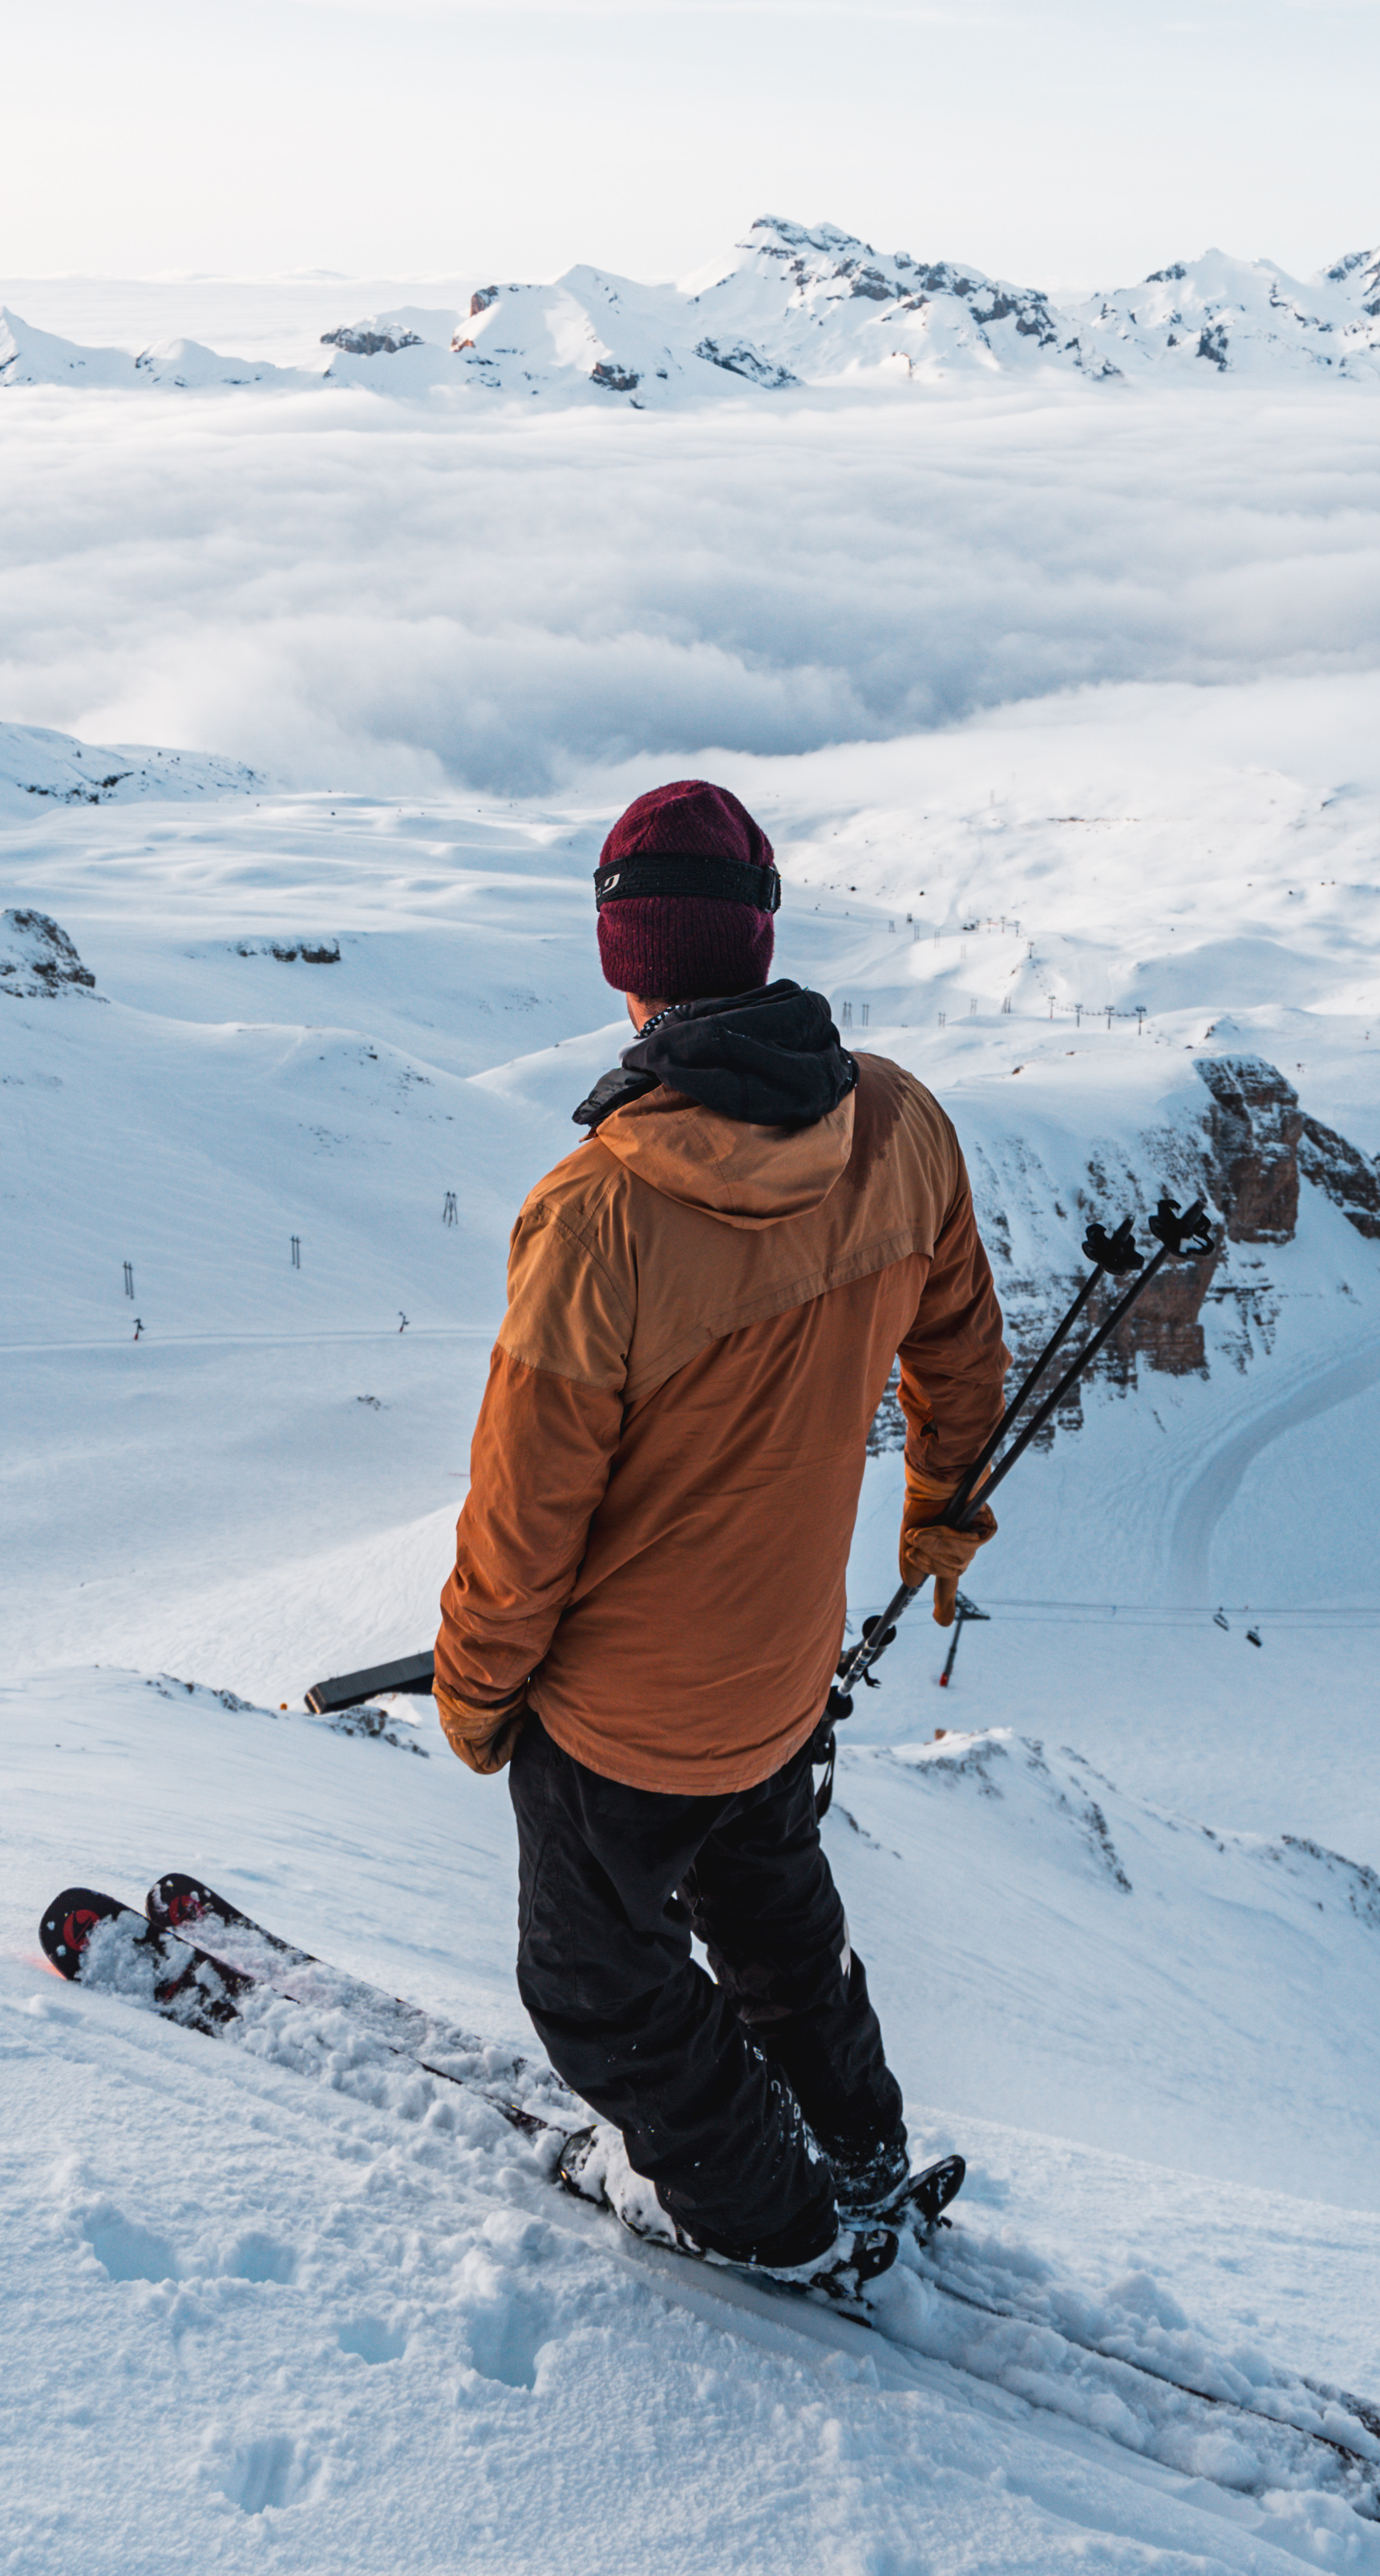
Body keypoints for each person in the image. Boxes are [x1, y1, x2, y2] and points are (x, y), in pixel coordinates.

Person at [433, 780, 1009, 2289]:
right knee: (772, 1919)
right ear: (761, 935)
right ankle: (859, 2149)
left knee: (594, 1980)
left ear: (621, 965)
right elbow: (961, 1346)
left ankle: (774, 2221)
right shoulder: (898, 1123)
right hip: (779, 1672)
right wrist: (940, 1512)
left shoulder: (596, 1214)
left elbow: (526, 1511)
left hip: (622, 1717)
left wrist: (478, 1693)